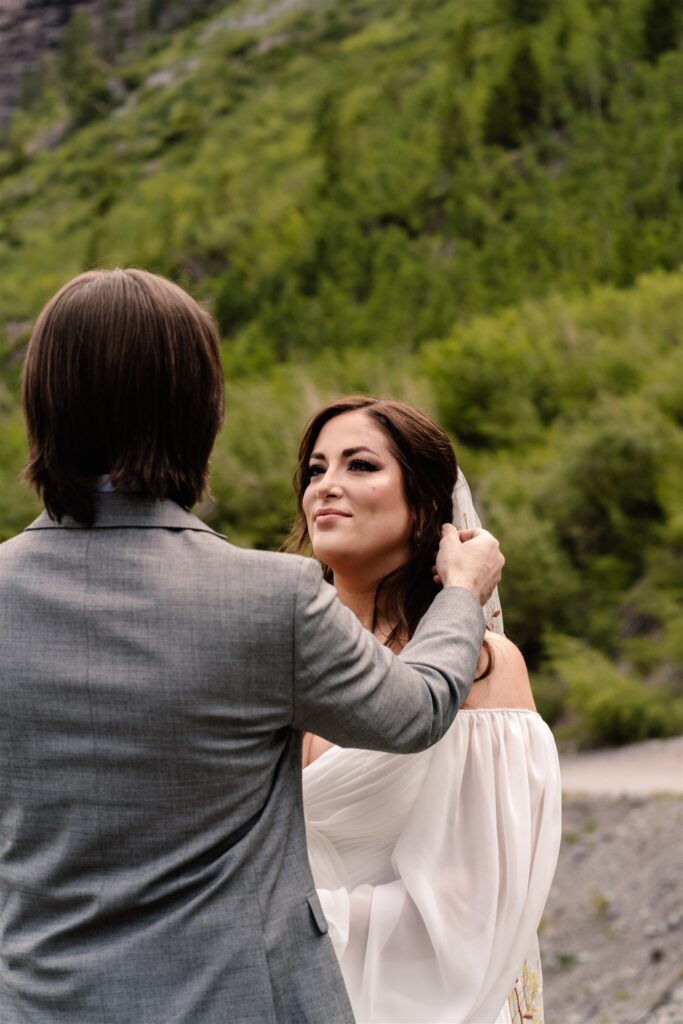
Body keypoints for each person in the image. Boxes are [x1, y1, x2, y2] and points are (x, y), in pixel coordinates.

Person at [0, 269, 504, 1024]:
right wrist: (462, 590)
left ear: (42, 407)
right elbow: (419, 711)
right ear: (197, 413)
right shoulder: (274, 598)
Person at [287, 396, 562, 1024]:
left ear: (424, 510)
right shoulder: (274, 653)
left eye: (359, 466)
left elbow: (476, 901)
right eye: (315, 469)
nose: (325, 486)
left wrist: (295, 924)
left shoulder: (484, 668)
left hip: (416, 1002)